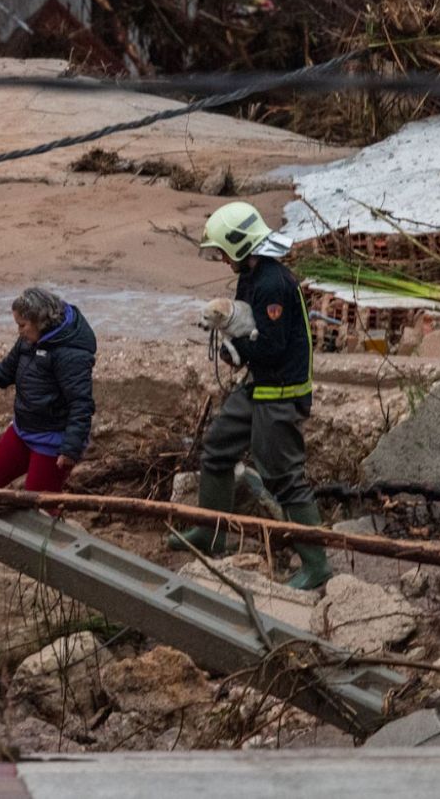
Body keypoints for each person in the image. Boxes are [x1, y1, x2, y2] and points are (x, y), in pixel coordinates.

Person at [167, 201, 332, 592]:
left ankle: (317, 563)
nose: (223, 260)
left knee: (284, 477)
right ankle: (212, 533)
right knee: (218, 448)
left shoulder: (274, 283)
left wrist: (236, 350)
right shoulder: (253, 277)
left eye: (223, 252)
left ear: (240, 245)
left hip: (281, 391)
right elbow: (250, 324)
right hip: (260, 385)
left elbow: (271, 346)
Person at [0, 287, 97, 493]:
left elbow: (81, 404)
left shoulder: (71, 355)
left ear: (40, 322)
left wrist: (70, 449)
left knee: (39, 501)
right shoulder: (29, 339)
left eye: (22, 325)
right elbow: (5, 371)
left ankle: (53, 520)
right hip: (23, 429)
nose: (19, 331)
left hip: (52, 440)